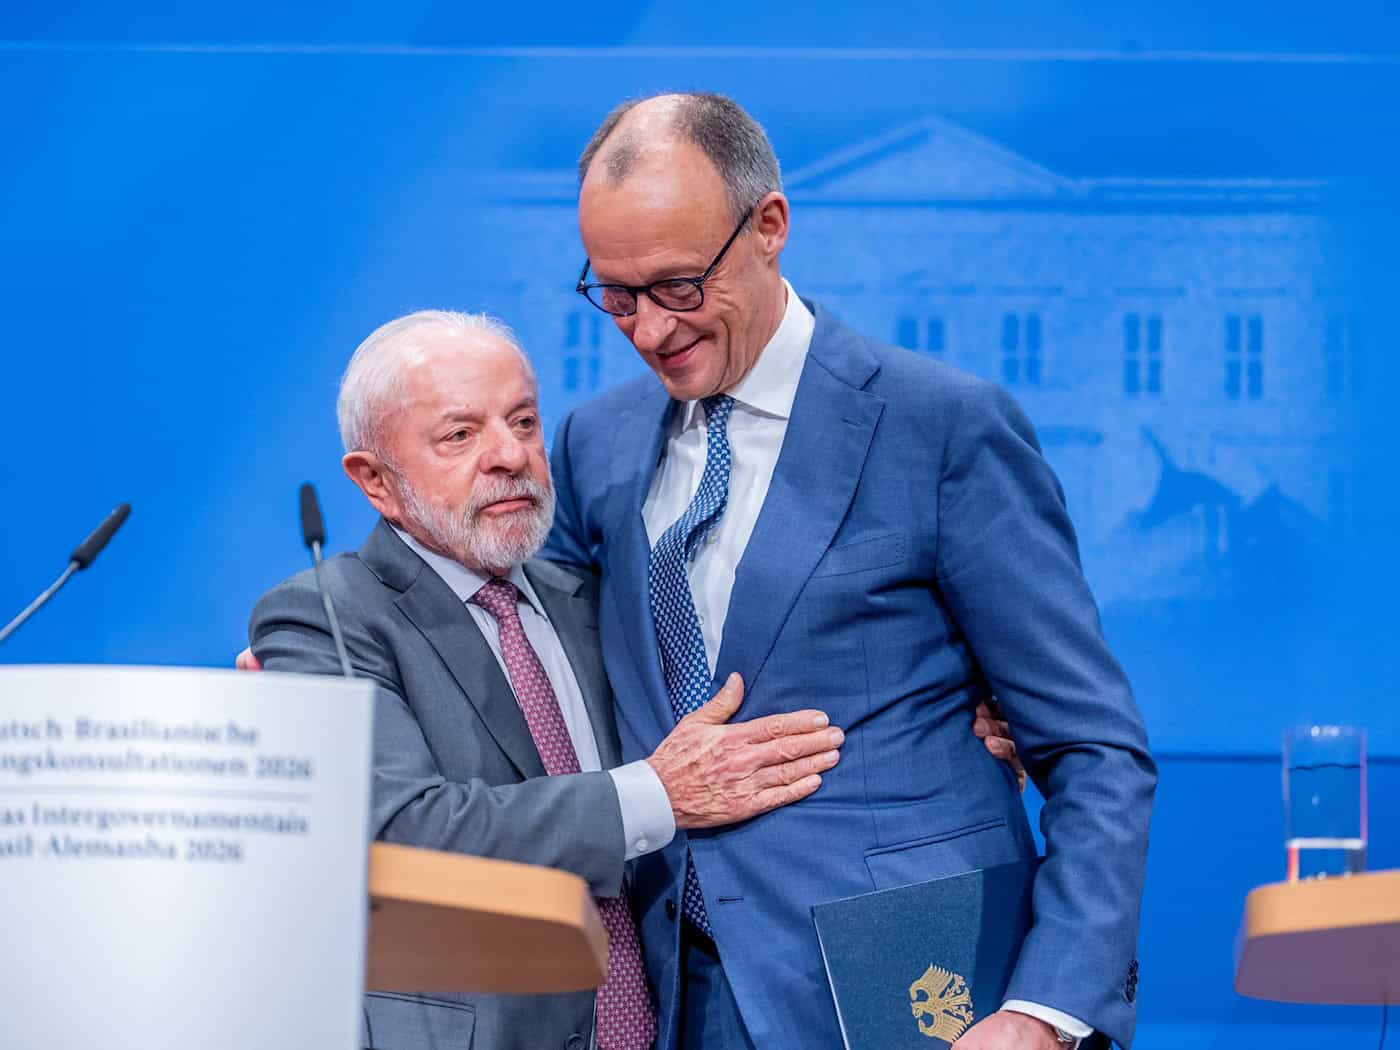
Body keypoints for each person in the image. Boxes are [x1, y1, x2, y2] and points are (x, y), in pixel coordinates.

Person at [543, 92, 1157, 1050]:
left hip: (910, 990)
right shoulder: (596, 443)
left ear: (770, 227)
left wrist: (1046, 1012)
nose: (649, 331)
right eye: (615, 296)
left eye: (677, 288)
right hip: (674, 992)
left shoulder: (940, 428)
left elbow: (1093, 749)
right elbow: (520, 654)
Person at [245, 310, 1021, 1050]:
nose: (511, 455)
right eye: (460, 434)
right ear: (374, 480)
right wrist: (657, 794)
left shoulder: (594, 596)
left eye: (522, 421)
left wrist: (964, 709)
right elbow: (403, 831)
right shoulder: (325, 619)